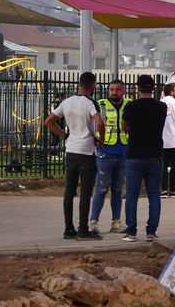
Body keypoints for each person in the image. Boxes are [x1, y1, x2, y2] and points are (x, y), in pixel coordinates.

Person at [44, 72, 105, 241]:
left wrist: (64, 135)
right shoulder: (90, 103)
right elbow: (100, 122)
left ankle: (68, 229)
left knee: (69, 191)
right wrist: (101, 139)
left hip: (70, 151)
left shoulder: (67, 102)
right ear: (92, 85)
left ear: (80, 83)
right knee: (85, 192)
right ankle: (83, 229)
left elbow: (49, 121)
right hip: (87, 152)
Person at [121, 75, 167, 242]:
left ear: (137, 88)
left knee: (132, 195)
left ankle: (131, 232)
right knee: (154, 195)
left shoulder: (131, 107)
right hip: (155, 155)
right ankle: (151, 232)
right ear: (153, 88)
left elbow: (124, 126)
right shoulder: (162, 107)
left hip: (135, 155)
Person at [88, 79, 130, 235]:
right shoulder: (101, 104)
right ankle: (93, 222)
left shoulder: (129, 104)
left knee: (118, 190)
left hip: (123, 152)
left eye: (118, 89)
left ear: (123, 90)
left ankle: (116, 222)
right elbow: (92, 124)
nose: (114, 92)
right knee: (101, 188)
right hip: (105, 152)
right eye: (111, 89)